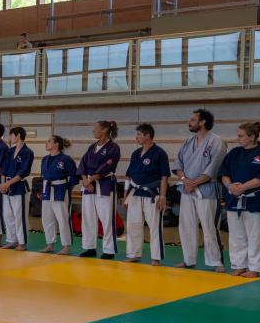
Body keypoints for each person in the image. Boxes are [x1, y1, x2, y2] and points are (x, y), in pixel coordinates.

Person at [220, 122, 260, 279]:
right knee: (236, 235)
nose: (238, 138)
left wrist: (243, 187)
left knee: (255, 236)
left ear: (252, 137)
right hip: (234, 199)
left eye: (241, 136)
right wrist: (230, 185)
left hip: (255, 199)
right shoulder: (234, 153)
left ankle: (254, 268)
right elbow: (224, 173)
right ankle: (239, 265)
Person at [172, 109, 226, 272]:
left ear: (203, 122)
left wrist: (194, 182)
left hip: (207, 190)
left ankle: (216, 261)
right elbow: (178, 165)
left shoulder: (216, 142)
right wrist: (185, 180)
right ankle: (189, 260)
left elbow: (215, 167)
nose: (189, 122)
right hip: (187, 190)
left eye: (193, 120)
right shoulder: (188, 141)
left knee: (209, 226)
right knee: (186, 226)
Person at [124, 123, 171, 265]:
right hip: (135, 193)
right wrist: (126, 195)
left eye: (139, 134)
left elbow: (164, 177)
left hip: (152, 194)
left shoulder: (159, 153)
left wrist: (162, 197)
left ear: (147, 136)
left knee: (154, 226)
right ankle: (134, 254)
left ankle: (156, 257)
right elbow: (128, 176)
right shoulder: (135, 154)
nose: (136, 137)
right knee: (133, 225)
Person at [78, 119, 121, 259]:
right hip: (88, 185)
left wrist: (91, 179)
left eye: (95, 128)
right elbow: (83, 164)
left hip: (105, 185)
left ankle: (109, 250)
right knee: (88, 217)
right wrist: (85, 180)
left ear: (104, 130)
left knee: (107, 218)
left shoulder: (113, 147)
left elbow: (108, 166)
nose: (93, 130)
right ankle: (90, 247)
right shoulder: (92, 147)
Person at [39, 135, 76, 255]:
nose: (46, 143)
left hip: (61, 190)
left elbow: (74, 176)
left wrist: (68, 188)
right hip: (47, 190)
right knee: (47, 219)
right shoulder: (44, 159)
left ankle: (66, 246)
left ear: (56, 144)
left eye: (49, 141)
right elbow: (43, 177)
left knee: (63, 219)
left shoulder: (66, 159)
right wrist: (41, 191)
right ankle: (50, 244)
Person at [0, 126, 34, 250]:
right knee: (8, 215)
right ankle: (11, 240)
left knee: (19, 216)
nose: (10, 138)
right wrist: (3, 184)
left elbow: (23, 171)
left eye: (11, 135)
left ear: (18, 135)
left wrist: (7, 184)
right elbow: (4, 168)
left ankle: (22, 242)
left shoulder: (27, 152)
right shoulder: (10, 151)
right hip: (7, 185)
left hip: (18, 186)